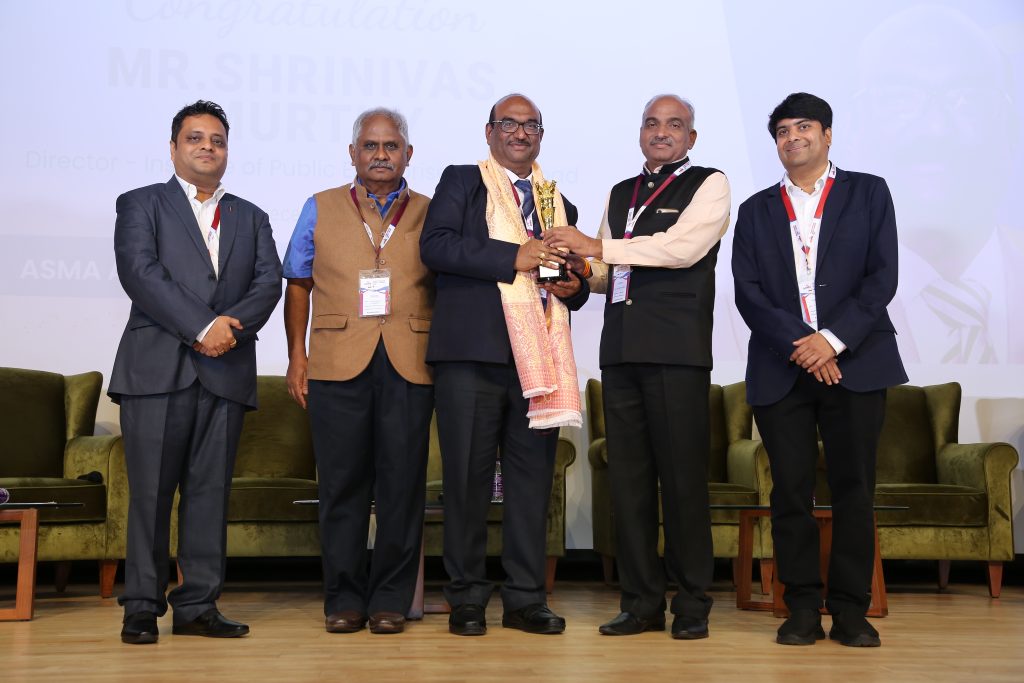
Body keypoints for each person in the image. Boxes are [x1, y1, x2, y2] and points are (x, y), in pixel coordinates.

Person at [544, 94, 730, 640]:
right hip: (622, 351)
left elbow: (679, 250)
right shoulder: (622, 191)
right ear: (640, 132)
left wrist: (595, 246)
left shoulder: (710, 183)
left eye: (674, 124)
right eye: (652, 123)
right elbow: (612, 269)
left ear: (691, 137)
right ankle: (641, 602)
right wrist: (582, 273)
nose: (661, 132)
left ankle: (692, 604)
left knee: (683, 483)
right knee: (629, 485)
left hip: (676, 353)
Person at [731, 92, 908, 647]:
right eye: (783, 131)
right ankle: (802, 607)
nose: (793, 137)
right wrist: (802, 345)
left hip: (856, 362)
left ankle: (851, 611)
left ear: (827, 135)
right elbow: (748, 293)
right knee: (790, 492)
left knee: (855, 490)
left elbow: (882, 278)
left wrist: (829, 342)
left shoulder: (869, 192)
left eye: (804, 127)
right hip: (781, 368)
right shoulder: (756, 209)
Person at [109, 100, 282, 644]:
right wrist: (204, 326)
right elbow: (140, 273)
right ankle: (141, 607)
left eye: (217, 140)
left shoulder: (252, 216)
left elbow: (268, 284)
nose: (208, 147)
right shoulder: (141, 203)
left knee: (210, 496)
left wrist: (227, 332)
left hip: (226, 372)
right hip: (155, 372)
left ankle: (198, 606)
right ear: (173, 148)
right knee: (150, 496)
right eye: (195, 138)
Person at [419, 93, 589, 636]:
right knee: (467, 484)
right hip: (472, 357)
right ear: (489, 132)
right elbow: (436, 247)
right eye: (508, 124)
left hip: (537, 364)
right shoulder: (461, 182)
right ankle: (467, 598)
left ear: (541, 135)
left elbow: (572, 279)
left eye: (530, 125)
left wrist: (576, 287)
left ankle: (525, 599)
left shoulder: (557, 201)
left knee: (531, 486)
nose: (519, 133)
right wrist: (512, 256)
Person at [282, 108, 434, 635]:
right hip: (335, 361)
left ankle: (390, 599)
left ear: (408, 154)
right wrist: (296, 356)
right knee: (341, 486)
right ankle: (343, 599)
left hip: (410, 362)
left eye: (391, 146)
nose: (380, 155)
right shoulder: (319, 206)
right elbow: (297, 282)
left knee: (402, 488)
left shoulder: (432, 211)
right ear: (352, 153)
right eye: (370, 146)